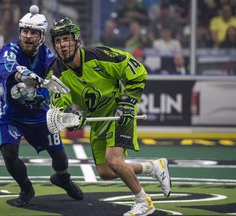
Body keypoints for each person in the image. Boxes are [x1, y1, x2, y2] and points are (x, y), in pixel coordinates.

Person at [46, 17, 171, 216]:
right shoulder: (55, 73)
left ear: (77, 40)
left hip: (119, 112)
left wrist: (128, 101)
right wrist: (69, 118)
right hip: (98, 120)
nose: (63, 45)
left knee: (114, 161)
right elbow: (62, 107)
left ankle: (143, 201)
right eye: (58, 40)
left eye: (67, 39)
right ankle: (153, 167)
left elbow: (136, 69)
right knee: (106, 172)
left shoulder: (99, 55)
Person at [0, 6, 83, 207]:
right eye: (24, 31)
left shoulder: (49, 57)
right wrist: (26, 76)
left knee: (60, 159)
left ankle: (63, 178)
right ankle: (26, 187)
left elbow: (60, 83)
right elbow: (9, 68)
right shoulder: (9, 50)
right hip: (10, 115)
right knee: (9, 154)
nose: (27, 36)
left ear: (42, 36)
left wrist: (69, 108)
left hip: (39, 115)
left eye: (33, 32)